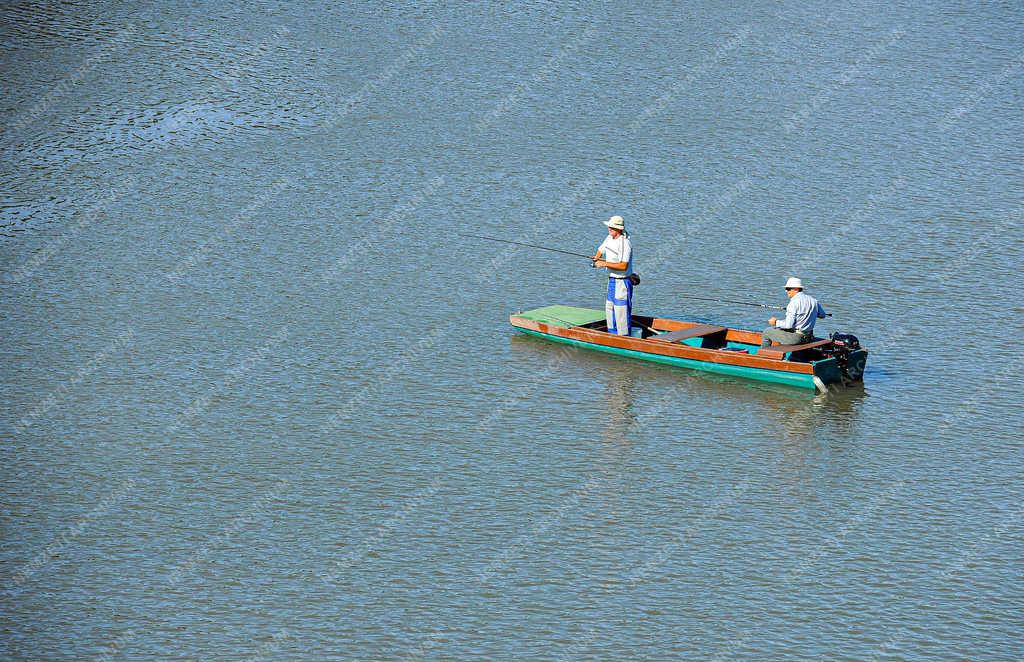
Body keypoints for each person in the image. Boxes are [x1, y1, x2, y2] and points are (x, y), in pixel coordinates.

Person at [592, 215, 634, 336]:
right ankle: (612, 335)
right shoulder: (609, 238)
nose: (609, 228)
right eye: (609, 226)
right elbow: (601, 249)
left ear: (619, 229)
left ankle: (624, 337)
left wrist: (603, 263)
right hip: (612, 280)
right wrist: (597, 257)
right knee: (610, 308)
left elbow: (623, 266)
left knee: (621, 311)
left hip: (623, 282)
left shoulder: (625, 244)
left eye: (612, 227)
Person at [761, 277, 827, 347]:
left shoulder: (793, 303)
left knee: (767, 332)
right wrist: (810, 313)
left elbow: (788, 325)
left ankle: (763, 355)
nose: (786, 291)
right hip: (809, 337)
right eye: (786, 289)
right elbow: (822, 315)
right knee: (780, 329)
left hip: (798, 338)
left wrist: (775, 322)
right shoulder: (813, 300)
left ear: (796, 289)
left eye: (788, 289)